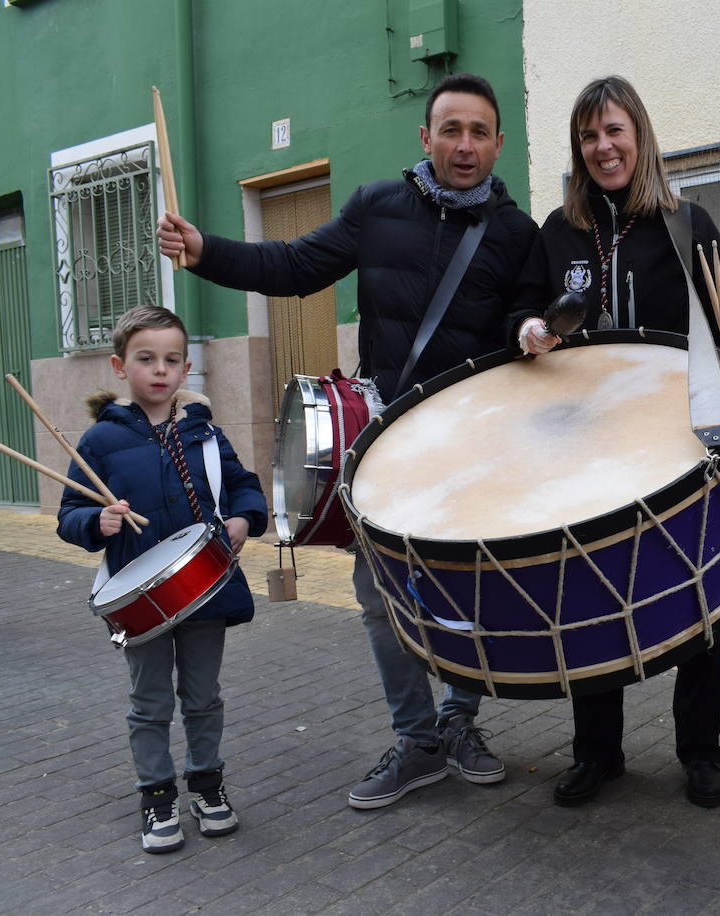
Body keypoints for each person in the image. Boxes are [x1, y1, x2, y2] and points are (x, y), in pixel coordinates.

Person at [157, 73, 539, 809]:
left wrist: (531, 326)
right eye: (450, 130)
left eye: (479, 132)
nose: (465, 145)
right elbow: (295, 267)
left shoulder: (517, 233)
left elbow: (525, 316)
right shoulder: (377, 206)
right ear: (425, 139)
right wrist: (207, 250)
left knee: (472, 588)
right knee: (379, 595)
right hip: (389, 436)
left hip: (474, 445)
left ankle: (460, 720)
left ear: (497, 144)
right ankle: (419, 738)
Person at [512, 75, 720, 810]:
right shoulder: (557, 231)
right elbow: (527, 314)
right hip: (585, 448)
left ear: (639, 136)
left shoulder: (688, 224)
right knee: (591, 592)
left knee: (696, 600)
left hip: (678, 441)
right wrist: (528, 329)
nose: (603, 147)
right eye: (589, 136)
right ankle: (598, 753)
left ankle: (701, 753)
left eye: (614, 131)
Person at [57, 305, 268, 853]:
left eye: (172, 360)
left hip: (205, 590)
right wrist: (94, 522)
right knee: (150, 701)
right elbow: (68, 516)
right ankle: (156, 794)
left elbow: (244, 486)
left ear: (186, 367)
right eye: (146, 359)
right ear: (119, 366)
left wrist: (245, 518)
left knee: (203, 696)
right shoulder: (100, 443)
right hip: (140, 598)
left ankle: (206, 782)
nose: (160, 370)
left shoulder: (203, 433)